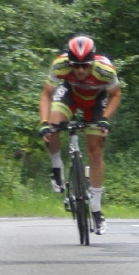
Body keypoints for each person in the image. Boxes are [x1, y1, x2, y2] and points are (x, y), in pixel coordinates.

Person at [39, 35, 121, 233]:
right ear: (69, 61)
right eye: (76, 65)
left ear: (92, 61)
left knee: (95, 152)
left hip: (96, 101)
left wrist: (105, 119)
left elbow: (115, 95)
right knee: (52, 127)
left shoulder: (105, 70)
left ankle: (97, 210)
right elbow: (47, 94)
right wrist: (43, 123)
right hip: (71, 96)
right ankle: (56, 167)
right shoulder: (60, 65)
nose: (80, 70)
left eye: (85, 66)